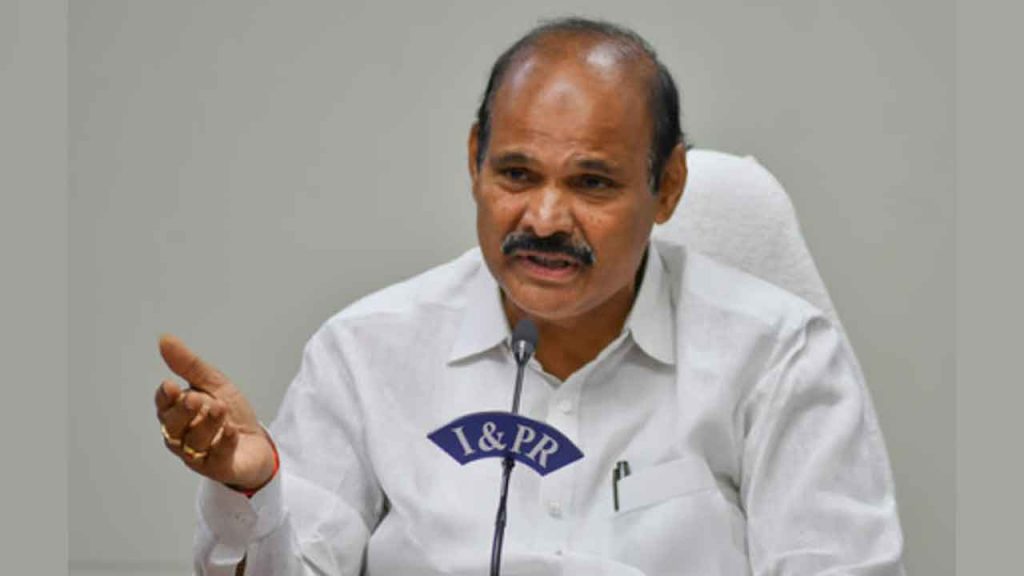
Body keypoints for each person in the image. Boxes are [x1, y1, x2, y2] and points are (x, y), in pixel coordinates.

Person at [154, 17, 905, 576]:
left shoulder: (779, 357)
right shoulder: (367, 351)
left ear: (669, 186)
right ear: (474, 160)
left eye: (591, 182)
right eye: (516, 175)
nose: (544, 219)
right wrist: (256, 492)